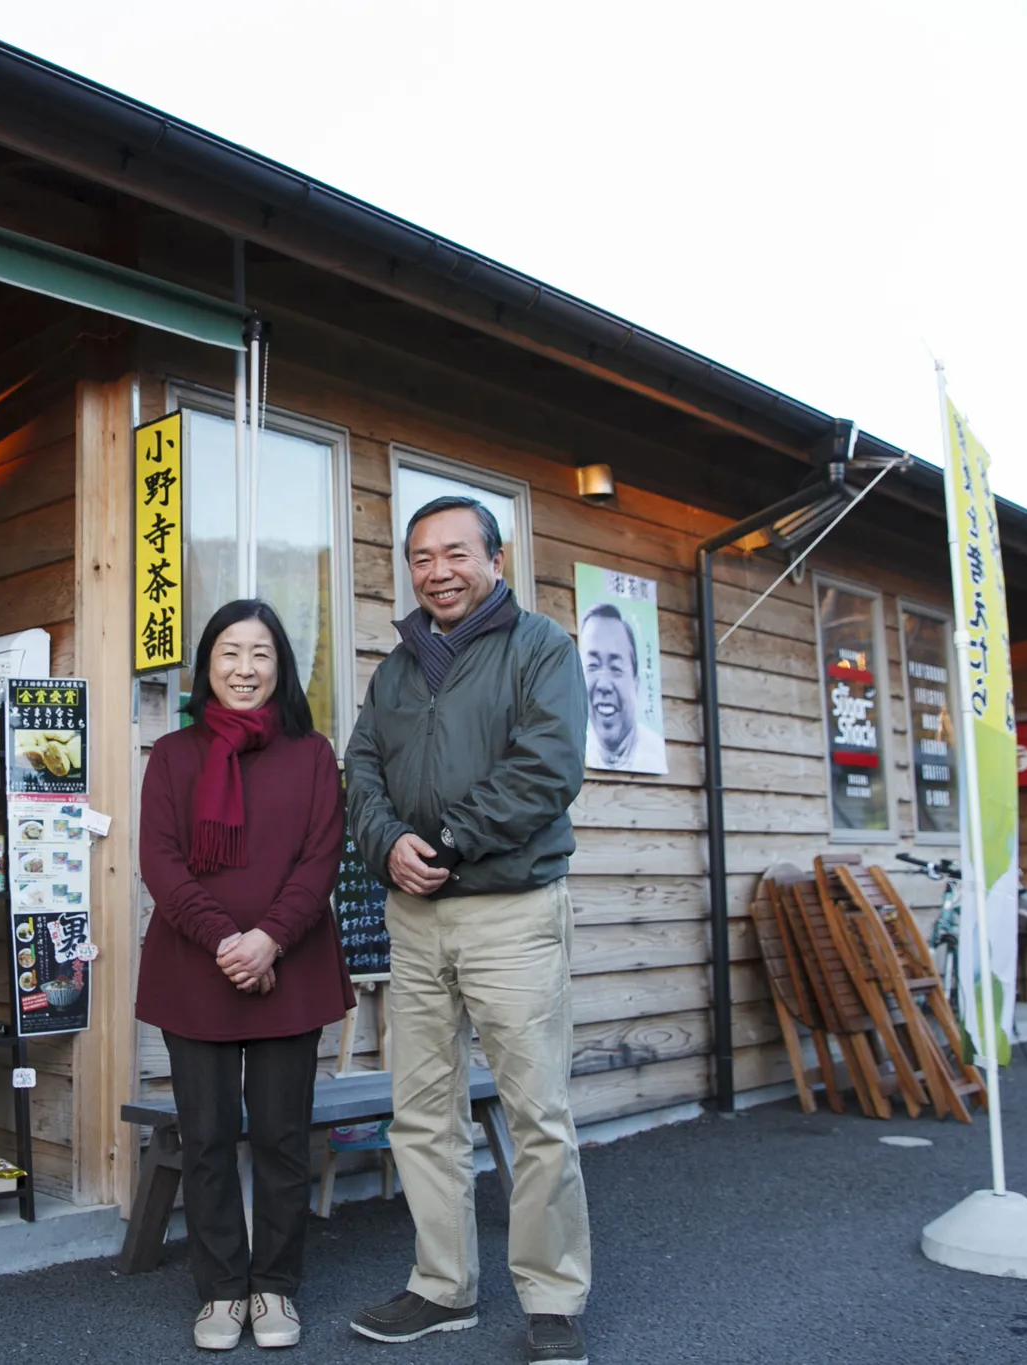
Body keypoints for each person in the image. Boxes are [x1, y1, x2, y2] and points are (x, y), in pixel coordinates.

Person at [345, 496, 593, 1365]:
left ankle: (554, 1298)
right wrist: (387, 846)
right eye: (420, 557)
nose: (437, 571)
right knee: (420, 1111)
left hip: (511, 910)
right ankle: (441, 1286)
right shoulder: (394, 669)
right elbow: (362, 769)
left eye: (455, 552)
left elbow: (549, 767)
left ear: (495, 557)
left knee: (536, 1113)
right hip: (413, 916)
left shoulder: (542, 647)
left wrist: (446, 843)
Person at [138, 599, 354, 1352]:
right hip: (193, 966)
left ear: (280, 667)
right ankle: (221, 1290)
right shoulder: (172, 754)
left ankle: (277, 1287)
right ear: (207, 665)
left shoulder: (314, 752)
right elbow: (160, 862)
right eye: (230, 652)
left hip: (288, 968)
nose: (244, 668)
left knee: (282, 1137)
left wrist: (267, 940)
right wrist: (229, 941)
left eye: (260, 653)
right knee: (205, 1136)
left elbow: (320, 859)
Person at [579, 604, 666, 774]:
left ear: (636, 683)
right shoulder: (575, 752)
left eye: (616, 668)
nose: (603, 685)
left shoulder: (653, 753)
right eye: (593, 666)